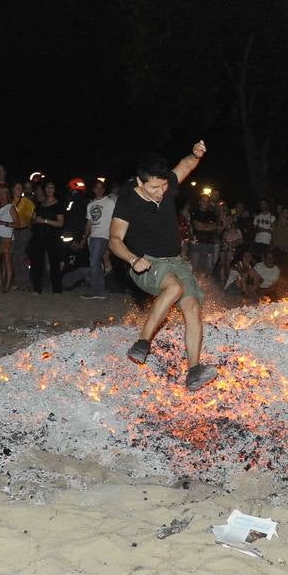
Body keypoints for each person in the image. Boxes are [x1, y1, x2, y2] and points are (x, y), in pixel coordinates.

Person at [108, 142, 218, 390]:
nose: (161, 192)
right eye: (155, 188)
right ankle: (143, 343)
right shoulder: (128, 200)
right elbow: (114, 240)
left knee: (191, 307)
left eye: (164, 186)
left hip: (176, 261)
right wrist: (133, 260)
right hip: (146, 262)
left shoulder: (166, 184)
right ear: (140, 182)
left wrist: (195, 154)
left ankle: (194, 371)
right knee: (174, 289)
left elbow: (186, 165)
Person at [28, 181, 65, 293]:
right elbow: (33, 219)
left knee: (54, 263)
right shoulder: (40, 204)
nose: (49, 189)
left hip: (52, 237)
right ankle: (37, 289)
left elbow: (61, 223)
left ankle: (56, 290)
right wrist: (34, 220)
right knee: (37, 263)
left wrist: (45, 220)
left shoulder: (58, 204)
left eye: (52, 187)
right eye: (47, 187)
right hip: (39, 236)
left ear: (55, 189)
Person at [0, 185, 16, 294]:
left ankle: (7, 285)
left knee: (7, 263)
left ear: (8, 195)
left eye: (4, 193)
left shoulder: (11, 207)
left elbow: (17, 224)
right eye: (0, 193)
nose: (2, 195)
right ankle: (0, 283)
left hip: (6, 238)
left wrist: (2, 223)